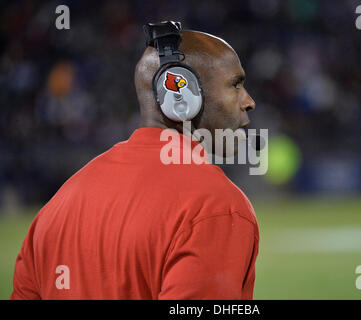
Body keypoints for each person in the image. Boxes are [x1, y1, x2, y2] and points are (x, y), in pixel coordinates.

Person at [11, 23, 259, 300]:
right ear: (181, 96)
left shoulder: (56, 207)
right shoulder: (215, 207)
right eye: (235, 84)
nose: (249, 101)